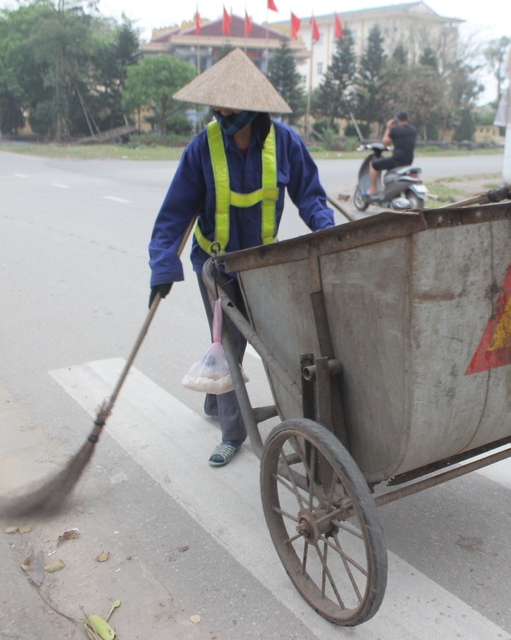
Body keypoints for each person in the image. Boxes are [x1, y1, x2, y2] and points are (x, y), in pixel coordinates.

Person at [148, 50, 336, 467]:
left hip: (264, 265)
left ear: (254, 106)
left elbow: (310, 197)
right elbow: (174, 214)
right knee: (230, 343)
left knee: (276, 340)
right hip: (216, 267)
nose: (222, 112)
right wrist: (162, 265)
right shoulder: (202, 149)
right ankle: (233, 433)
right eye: (217, 106)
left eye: (231, 106)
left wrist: (328, 236)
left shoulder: (285, 143)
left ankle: (223, 402)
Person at [366, 110, 416, 197]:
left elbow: (385, 143)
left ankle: (373, 189)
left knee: (373, 165)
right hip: (409, 160)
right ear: (408, 119)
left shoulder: (395, 130)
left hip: (397, 160)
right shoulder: (413, 129)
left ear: (397, 119)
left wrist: (388, 128)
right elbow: (404, 143)